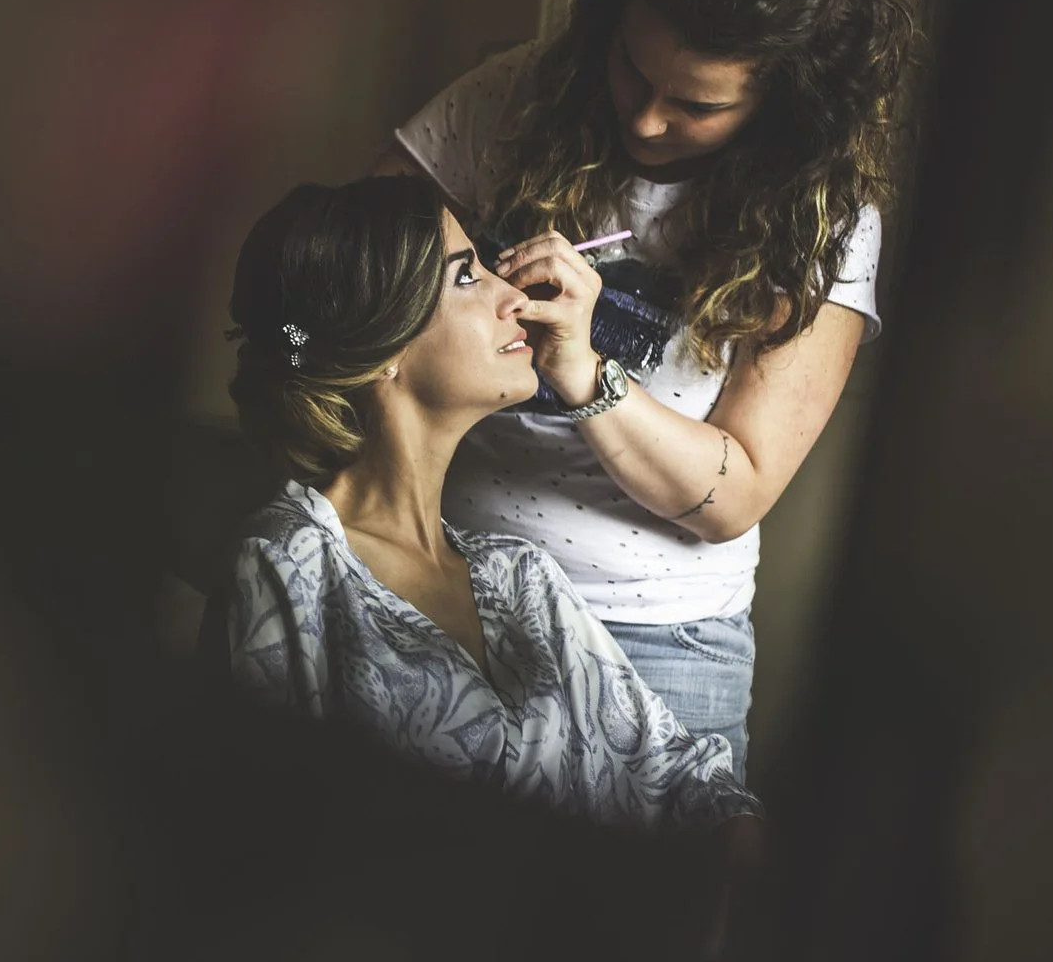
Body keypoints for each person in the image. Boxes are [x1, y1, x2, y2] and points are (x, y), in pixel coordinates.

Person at [379, 0, 921, 778]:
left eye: (698, 104)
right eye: (633, 68)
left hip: (654, 639)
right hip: (444, 578)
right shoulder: (519, 95)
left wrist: (589, 374)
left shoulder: (824, 223)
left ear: (782, 101)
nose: (647, 121)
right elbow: (344, 282)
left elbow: (732, 493)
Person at [216, 174, 761, 836]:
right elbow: (258, 830)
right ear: (386, 345)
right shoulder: (288, 564)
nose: (516, 295)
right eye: (468, 275)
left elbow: (686, 778)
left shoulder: (519, 577)